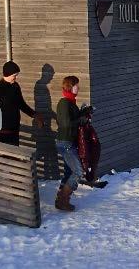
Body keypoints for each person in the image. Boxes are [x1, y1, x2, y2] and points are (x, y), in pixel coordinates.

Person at [0, 61, 43, 146]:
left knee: (15, 156)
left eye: (16, 76)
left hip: (14, 128)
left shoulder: (15, 86)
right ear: (7, 74)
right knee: (6, 157)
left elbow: (21, 104)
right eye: (14, 76)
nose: (15, 78)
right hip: (1, 130)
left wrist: (34, 115)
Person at [55, 75, 87, 211]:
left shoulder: (71, 102)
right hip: (65, 142)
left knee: (69, 171)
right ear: (70, 86)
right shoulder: (64, 103)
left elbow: (72, 119)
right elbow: (65, 124)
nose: (78, 88)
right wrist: (80, 120)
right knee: (78, 171)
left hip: (69, 141)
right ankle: (63, 199)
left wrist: (83, 112)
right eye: (76, 85)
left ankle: (60, 199)